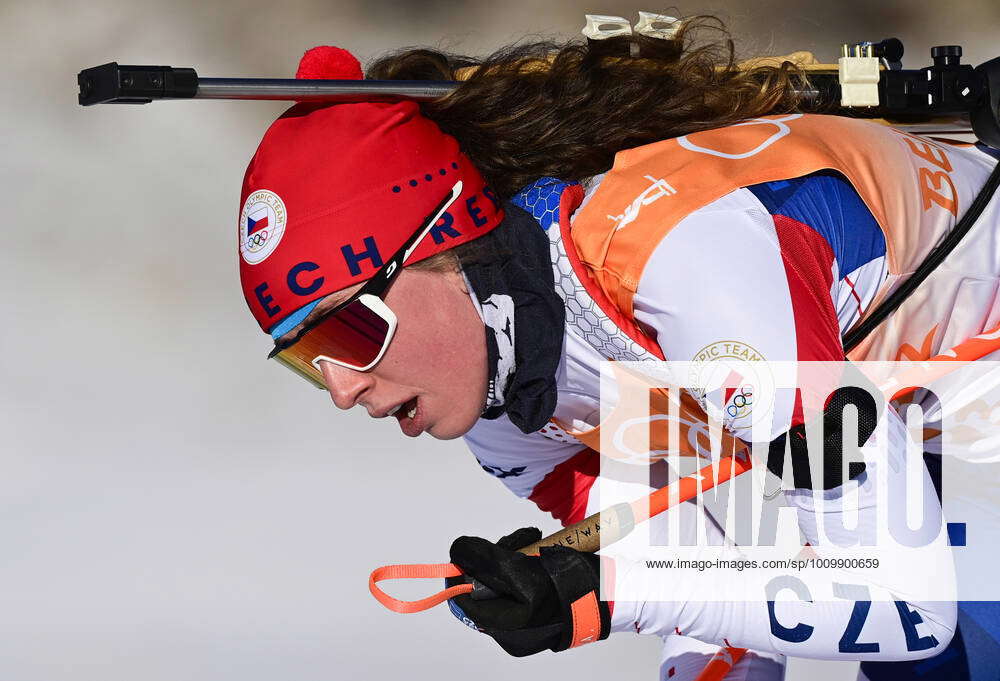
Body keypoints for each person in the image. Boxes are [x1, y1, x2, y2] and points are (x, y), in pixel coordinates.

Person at [236, 17, 1000, 680]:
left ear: (444, 246)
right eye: (309, 359)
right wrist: (620, 590)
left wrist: (612, 592)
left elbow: (906, 603)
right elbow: (719, 601)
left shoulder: (685, 266)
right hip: (918, 401)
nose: (342, 390)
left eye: (351, 331)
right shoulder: (510, 402)